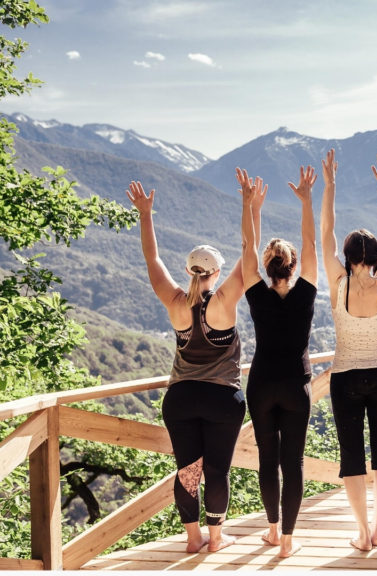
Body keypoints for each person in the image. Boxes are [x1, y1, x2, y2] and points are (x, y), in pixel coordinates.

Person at [126, 180, 246, 554]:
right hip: (222, 398)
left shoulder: (175, 301)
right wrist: (250, 205)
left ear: (190, 270)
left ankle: (192, 539)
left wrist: (145, 215)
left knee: (187, 471)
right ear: (216, 272)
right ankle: (215, 539)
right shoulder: (224, 303)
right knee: (217, 472)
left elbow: (152, 260)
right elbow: (250, 252)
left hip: (180, 398)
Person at [237, 164, 317, 559]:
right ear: (295, 265)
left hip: (262, 384)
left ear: (267, 270)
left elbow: (246, 248)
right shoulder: (305, 292)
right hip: (296, 385)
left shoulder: (256, 292)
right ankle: (287, 541)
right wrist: (306, 201)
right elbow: (311, 242)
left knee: (268, 460)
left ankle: (271, 530)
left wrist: (250, 205)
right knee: (294, 462)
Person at [322, 150, 377, 552]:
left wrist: (330, 183)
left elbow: (325, 234)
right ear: (374, 257)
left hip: (345, 377)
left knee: (352, 455)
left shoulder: (338, 283)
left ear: (348, 256)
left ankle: (363, 531)